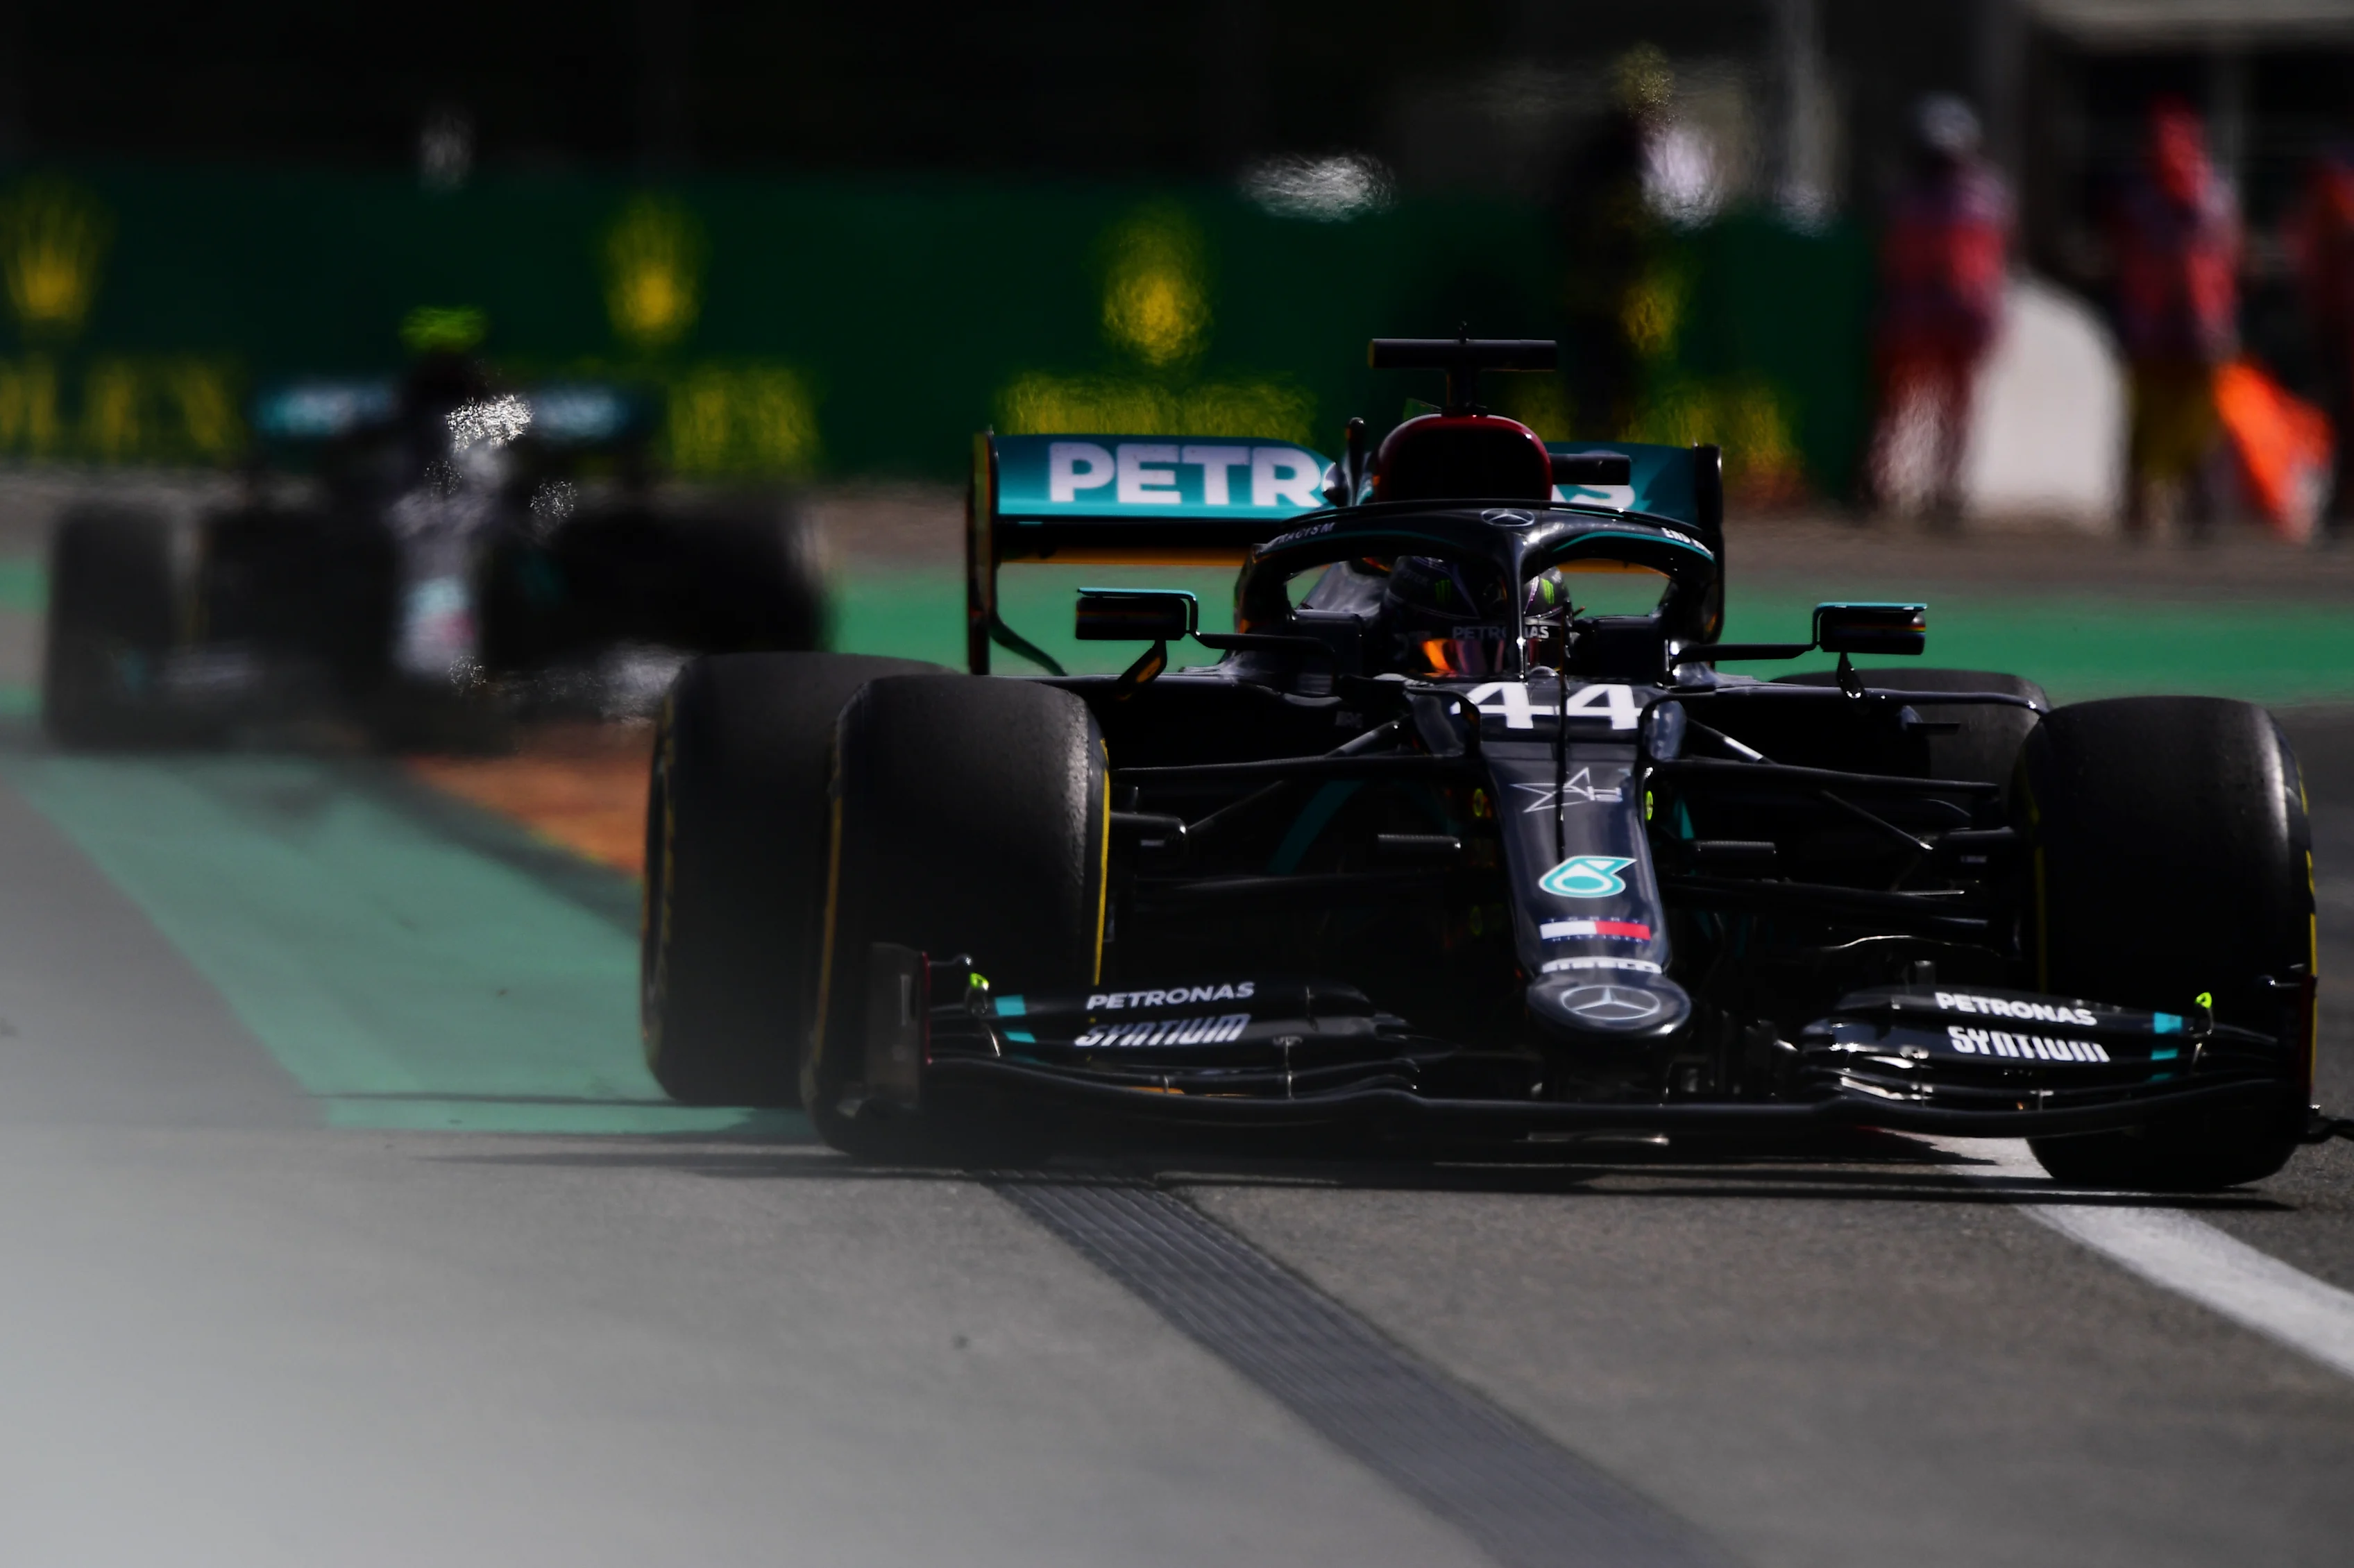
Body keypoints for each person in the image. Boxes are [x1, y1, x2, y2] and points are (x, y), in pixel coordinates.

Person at [1863, 94, 2011, 527]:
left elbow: (1994, 260)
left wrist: (1986, 315)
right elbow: (1891, 256)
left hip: (1962, 318)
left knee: (1957, 411)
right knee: (1896, 406)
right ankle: (1881, 484)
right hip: (1912, 317)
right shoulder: (1905, 196)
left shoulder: (1985, 197)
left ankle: (1947, 491)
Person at [2108, 99, 2242, 539]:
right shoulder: (2153, 201)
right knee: (2155, 425)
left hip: (2190, 328)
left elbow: (2228, 260)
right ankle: (2150, 510)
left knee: (2192, 425)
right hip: (2162, 328)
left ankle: (2189, 508)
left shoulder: (2210, 196)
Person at [2287, 141, 2354, 540]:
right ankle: (2336, 510)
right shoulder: (2324, 213)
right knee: (2340, 422)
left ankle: (2337, 509)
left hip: (2337, 329)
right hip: (2336, 331)